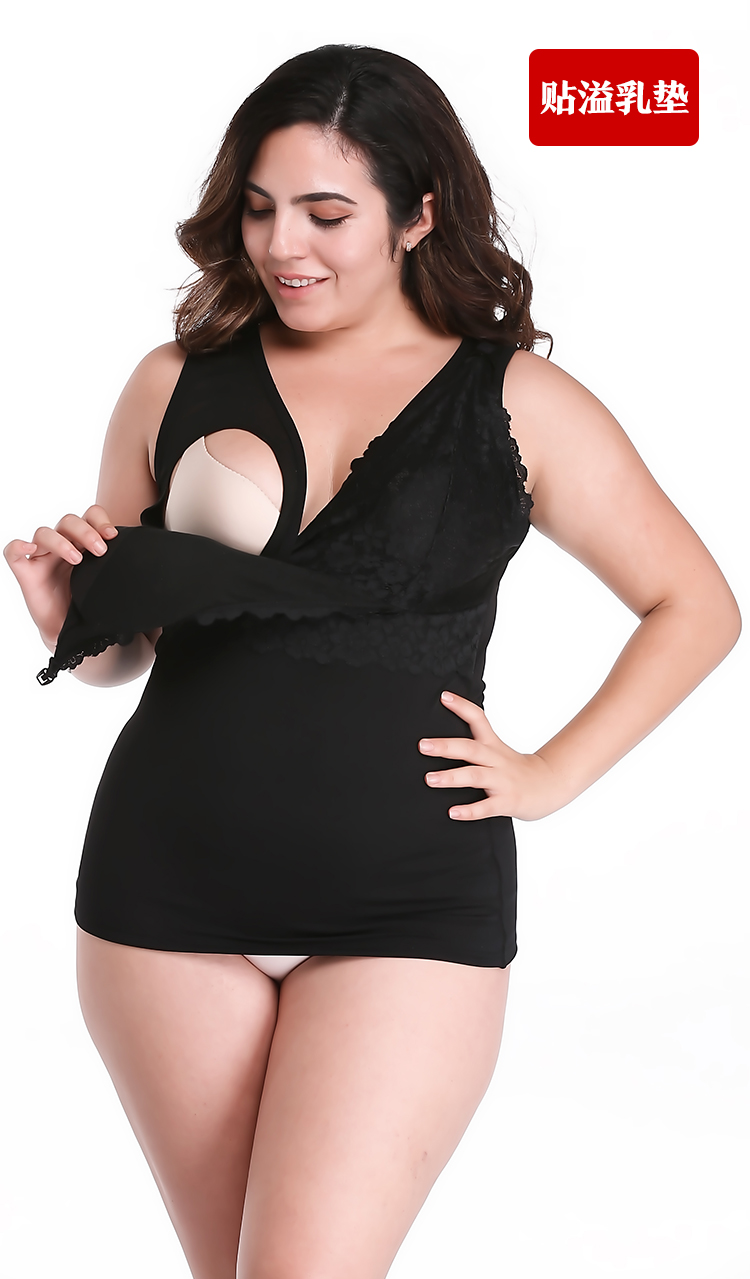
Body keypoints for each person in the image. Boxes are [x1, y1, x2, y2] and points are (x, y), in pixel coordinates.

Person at [3, 43, 740, 1279]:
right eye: (259, 208)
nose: (282, 245)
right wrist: (65, 617)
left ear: (418, 213)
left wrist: (550, 773)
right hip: (163, 896)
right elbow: (125, 652)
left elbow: (696, 605)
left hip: (408, 907)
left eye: (326, 213)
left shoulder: (518, 402)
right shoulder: (170, 383)